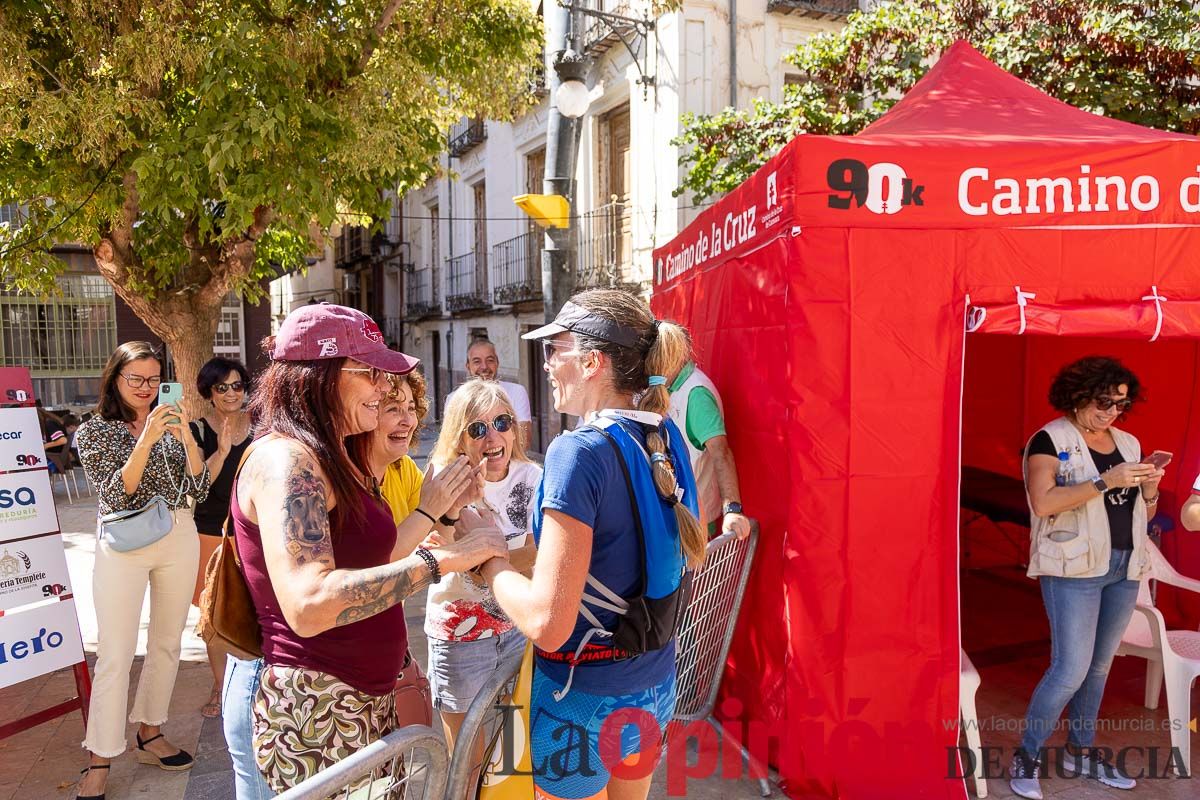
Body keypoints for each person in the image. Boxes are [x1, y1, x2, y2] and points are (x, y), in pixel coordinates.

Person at [231, 304, 505, 795]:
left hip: (364, 701)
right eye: (371, 374)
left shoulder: (330, 455)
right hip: (319, 705)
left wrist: (430, 513)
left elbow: (371, 560)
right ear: (322, 375)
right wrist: (441, 560)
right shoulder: (287, 462)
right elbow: (310, 604)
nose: (383, 389)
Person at [462, 289, 705, 800]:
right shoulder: (665, 436)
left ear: (591, 362)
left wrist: (490, 564)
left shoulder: (577, 452)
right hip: (655, 681)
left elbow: (548, 626)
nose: (547, 364)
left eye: (557, 350)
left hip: (581, 698)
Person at [1009, 356, 1164, 799]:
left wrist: (1149, 488)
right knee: (1069, 670)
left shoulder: (1129, 442)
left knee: (1098, 669)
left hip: (1122, 566)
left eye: (1121, 403)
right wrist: (1104, 480)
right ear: (1077, 396)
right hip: (1073, 568)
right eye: (1103, 401)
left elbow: (1143, 512)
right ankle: (1027, 757)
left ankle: (1080, 752)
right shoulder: (1048, 439)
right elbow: (1042, 504)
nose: (1112, 411)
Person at [73, 342, 211, 800]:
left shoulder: (174, 423)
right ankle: (99, 757)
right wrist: (147, 439)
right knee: (115, 653)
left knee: (168, 642)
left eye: (153, 380)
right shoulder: (95, 431)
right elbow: (115, 493)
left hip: (178, 533)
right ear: (114, 378)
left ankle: (150, 733)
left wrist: (187, 438)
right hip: (124, 543)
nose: (146, 388)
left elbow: (199, 486)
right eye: (136, 379)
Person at [425, 377, 541, 755]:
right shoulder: (443, 481)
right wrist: (492, 559)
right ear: (459, 439)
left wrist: (481, 555)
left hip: (515, 628)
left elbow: (540, 553)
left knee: (512, 753)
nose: (493, 438)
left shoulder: (532, 477)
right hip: (458, 635)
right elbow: (448, 558)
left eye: (502, 423)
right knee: (466, 762)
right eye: (478, 429)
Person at [187, 357, 253, 718]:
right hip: (208, 532)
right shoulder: (196, 431)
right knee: (212, 614)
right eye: (222, 387)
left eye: (237, 385)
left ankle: (254, 681)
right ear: (209, 392)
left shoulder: (261, 427)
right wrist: (222, 452)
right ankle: (220, 685)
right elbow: (198, 488)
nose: (231, 393)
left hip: (250, 532)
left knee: (254, 607)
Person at [666, 357, 751, 539]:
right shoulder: (671, 385)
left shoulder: (696, 394)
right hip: (678, 517)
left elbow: (721, 453)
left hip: (691, 522)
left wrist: (732, 508)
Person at [454, 338, 533, 445]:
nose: (484, 367)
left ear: (497, 363)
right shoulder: (455, 399)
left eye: (490, 360)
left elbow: (524, 440)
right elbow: (453, 443)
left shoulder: (516, 392)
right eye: (477, 361)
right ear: (468, 366)